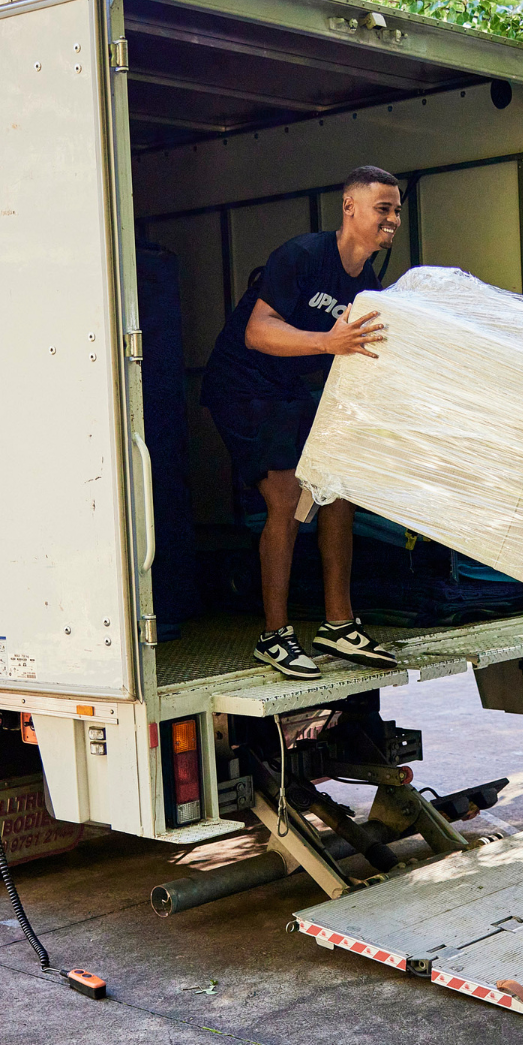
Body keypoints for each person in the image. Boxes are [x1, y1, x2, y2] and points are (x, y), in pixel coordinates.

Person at [199, 166, 404, 680]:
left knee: (336, 487)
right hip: (241, 383)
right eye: (384, 208)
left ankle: (338, 624)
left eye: (397, 210)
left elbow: (356, 353)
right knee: (287, 496)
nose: (393, 220)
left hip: (288, 387)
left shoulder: (367, 282)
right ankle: (274, 636)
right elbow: (257, 330)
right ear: (349, 207)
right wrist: (326, 343)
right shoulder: (303, 256)